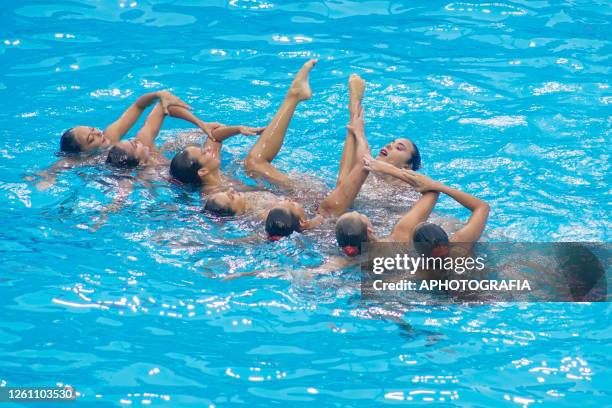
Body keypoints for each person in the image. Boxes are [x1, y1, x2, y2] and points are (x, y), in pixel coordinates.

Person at [204, 68, 374, 242]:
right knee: (334, 202)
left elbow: (212, 140)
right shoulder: (271, 220)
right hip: (314, 202)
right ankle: (354, 113)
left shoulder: (235, 203)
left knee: (253, 163)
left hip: (295, 197)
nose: (231, 190)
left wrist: (236, 129)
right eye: (231, 196)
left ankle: (295, 95)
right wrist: (359, 135)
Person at [29, 90, 221, 190]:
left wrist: (159, 94)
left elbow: (138, 105)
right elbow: (60, 165)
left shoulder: (110, 137)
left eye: (92, 128)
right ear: (84, 152)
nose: (97, 132)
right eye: (91, 138)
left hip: (148, 164)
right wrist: (49, 175)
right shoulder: (81, 160)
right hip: (149, 173)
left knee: (181, 139)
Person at [334, 156, 489, 257]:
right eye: (360, 215)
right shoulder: (459, 247)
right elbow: (432, 191)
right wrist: (390, 170)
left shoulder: (420, 271)